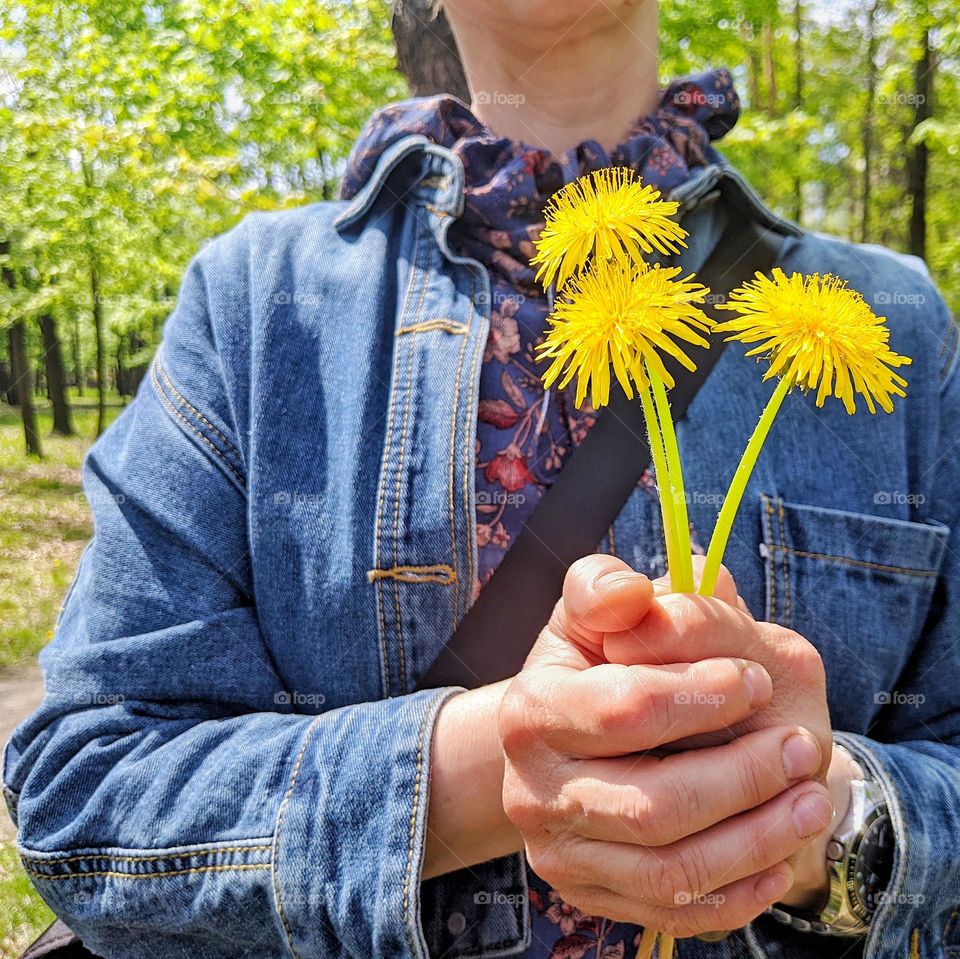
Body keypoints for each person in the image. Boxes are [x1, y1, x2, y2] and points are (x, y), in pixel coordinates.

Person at [5, 2, 959, 958]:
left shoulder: (904, 324)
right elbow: (81, 792)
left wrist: (832, 822)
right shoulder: (248, 303)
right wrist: (489, 766)